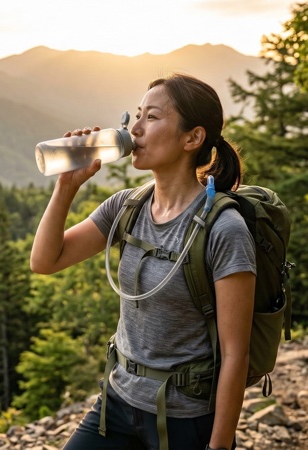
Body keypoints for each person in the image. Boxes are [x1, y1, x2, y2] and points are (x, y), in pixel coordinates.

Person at [30, 73, 256, 450]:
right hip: (118, 402)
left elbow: (236, 354)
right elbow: (45, 261)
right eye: (136, 115)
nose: (134, 129)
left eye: (151, 117)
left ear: (192, 138)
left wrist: (218, 446)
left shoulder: (224, 229)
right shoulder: (127, 207)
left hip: (184, 417)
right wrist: (66, 187)